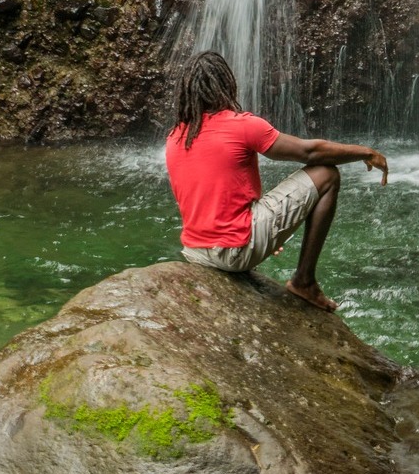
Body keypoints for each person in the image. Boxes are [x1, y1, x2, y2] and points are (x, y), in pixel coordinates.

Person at [165, 50, 388, 312]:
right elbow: (310, 152)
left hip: (196, 251)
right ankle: (304, 281)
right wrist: (367, 152)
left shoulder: (175, 137)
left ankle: (261, 249)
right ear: (226, 84)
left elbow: (214, 195)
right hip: (234, 252)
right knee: (326, 174)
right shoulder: (242, 125)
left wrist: (264, 228)